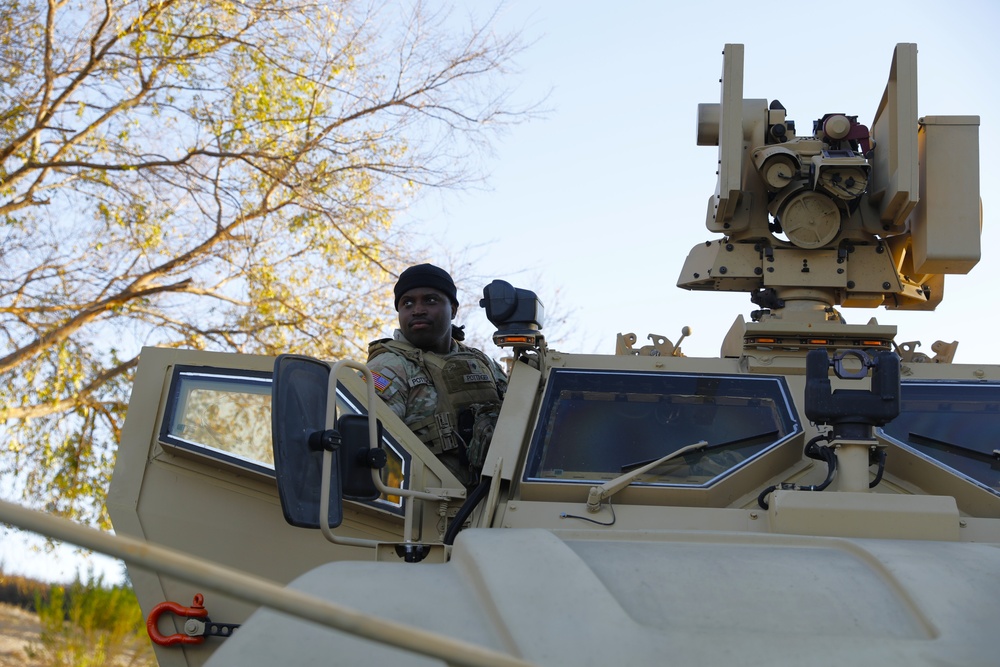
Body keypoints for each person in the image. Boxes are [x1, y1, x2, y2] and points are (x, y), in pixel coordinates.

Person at [367, 263, 508, 487]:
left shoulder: (480, 363)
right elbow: (369, 446)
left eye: (430, 300)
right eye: (407, 303)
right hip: (426, 506)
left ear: (453, 309)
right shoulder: (389, 367)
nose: (418, 310)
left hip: (490, 503)